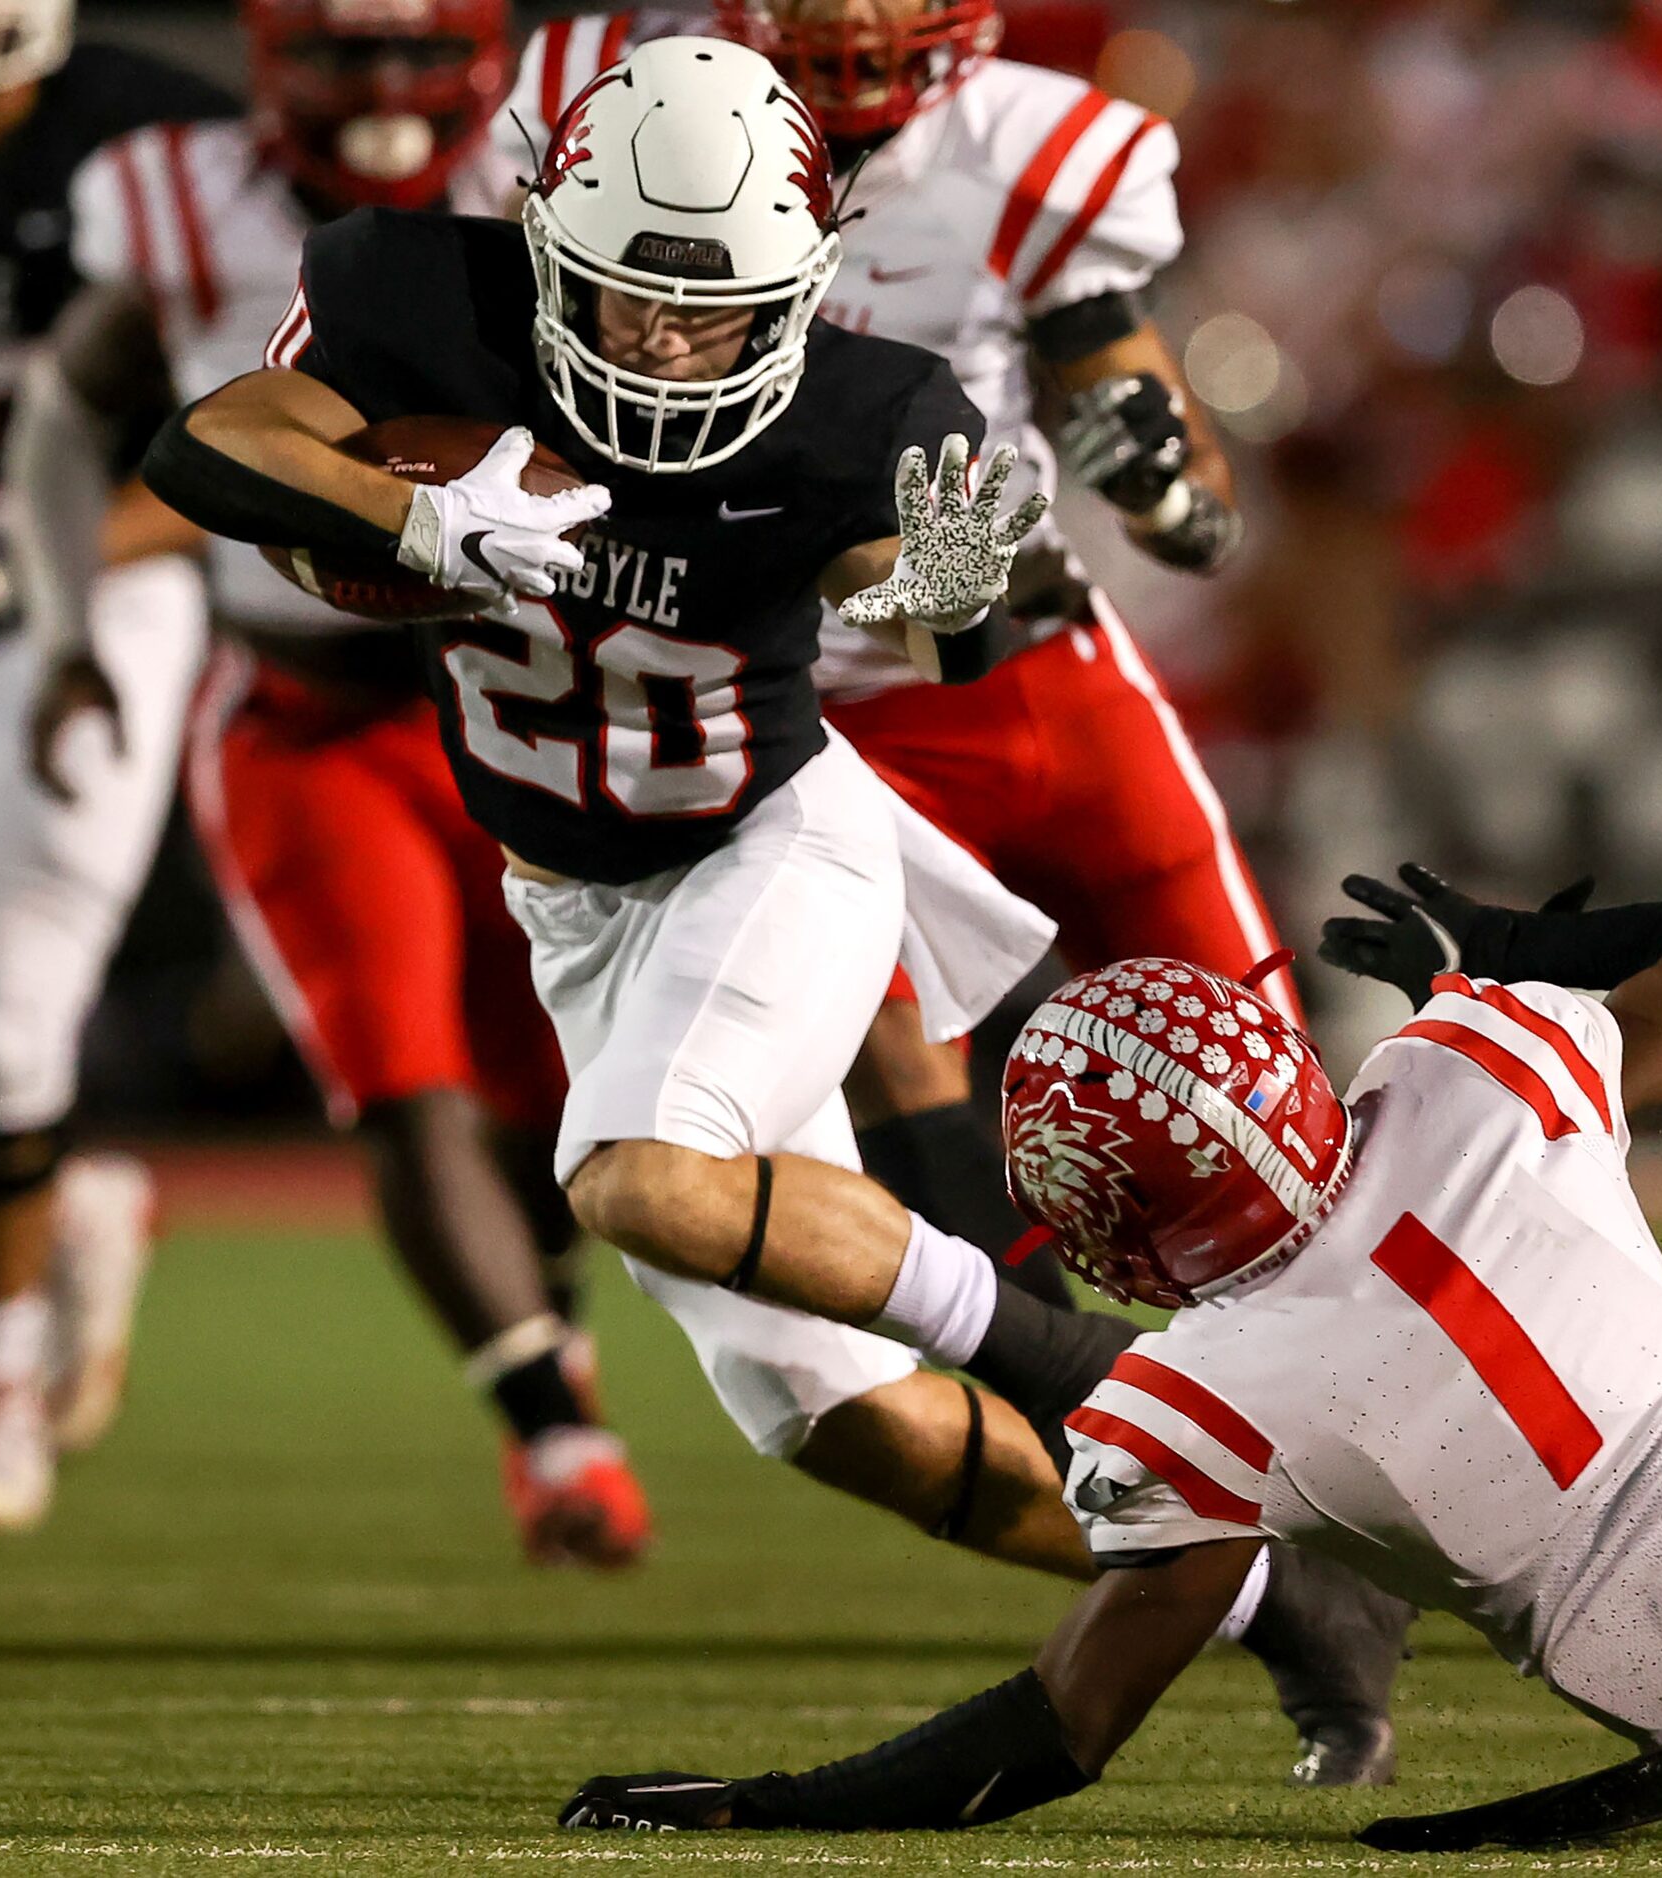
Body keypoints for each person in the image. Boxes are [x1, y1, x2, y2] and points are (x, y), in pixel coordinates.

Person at [144, 36, 1409, 1785]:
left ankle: (1086, 1366)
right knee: (829, 1417)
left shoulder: (873, 408)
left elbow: (937, 601)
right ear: (541, 236)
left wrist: (955, 578)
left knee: (636, 1174)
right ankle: (1276, 1590)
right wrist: (417, 518)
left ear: (804, 283)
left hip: (768, 849)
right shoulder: (413, 291)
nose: (667, 341)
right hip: (575, 906)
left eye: (717, 309)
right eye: (625, 299)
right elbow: (212, 441)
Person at [559, 867, 1662, 1844]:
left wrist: (761, 1808)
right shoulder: (1467, 1072)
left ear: (1120, 1230)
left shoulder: (1196, 1399)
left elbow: (1055, 1733)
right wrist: (1523, 951)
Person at [500, 0, 1295, 1298]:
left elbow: (1175, 474)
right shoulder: (610, 98)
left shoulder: (1028, 152)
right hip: (799, 695)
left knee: (1254, 1056)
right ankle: (1065, 1416)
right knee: (897, 1053)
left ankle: (1323, 1363)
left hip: (1021, 648)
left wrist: (1164, 484)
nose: (857, 16)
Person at [10, 0, 661, 1570]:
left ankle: (547, 1349)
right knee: (400, 1076)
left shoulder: (540, 198)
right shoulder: (171, 195)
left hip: (508, 696)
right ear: (275, 59)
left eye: (409, 51)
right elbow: (72, 419)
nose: (382, 91)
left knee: (547, 1094)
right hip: (298, 711)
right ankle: (555, 1439)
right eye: (345, 55)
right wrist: (58, 629)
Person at [0, 0, 236, 1530]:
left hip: (92, 598)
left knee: (7, 1026)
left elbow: (267, 442)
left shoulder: (151, 150)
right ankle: (56, 1205)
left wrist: (40, 568)